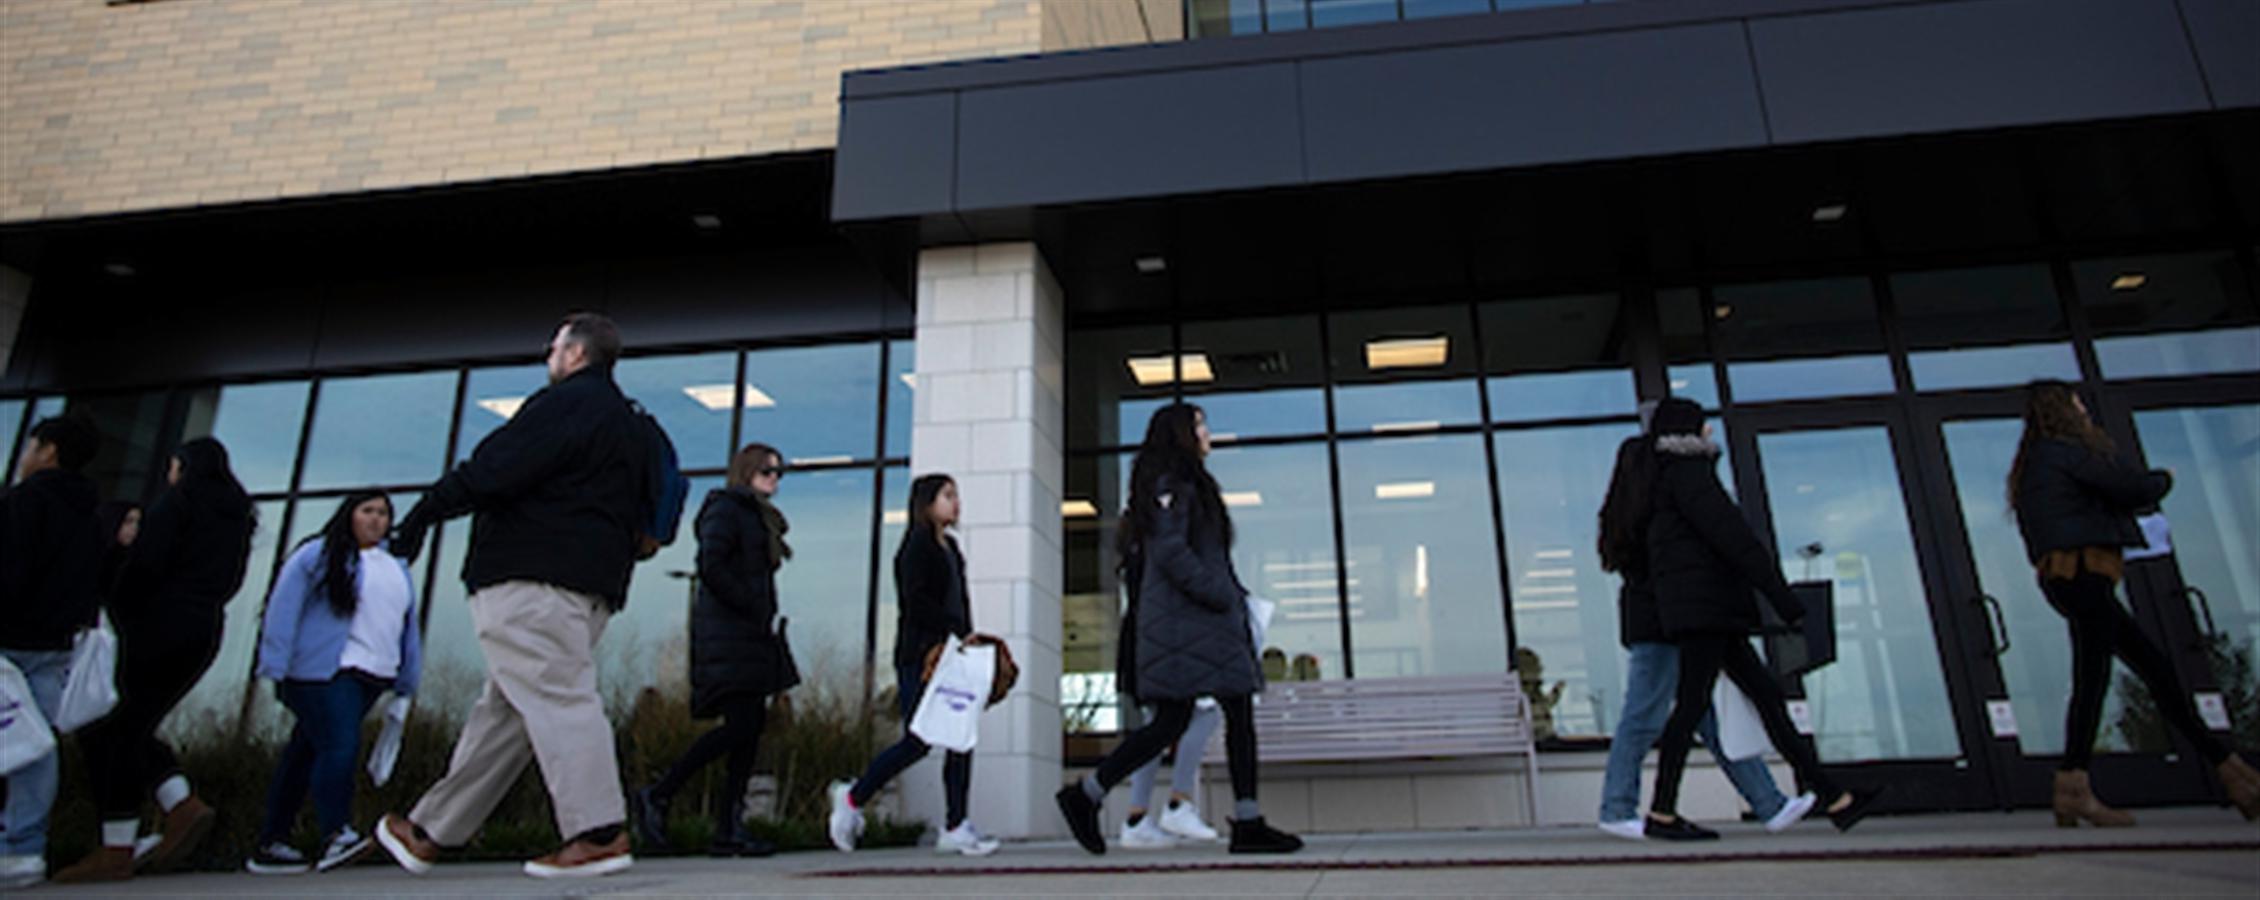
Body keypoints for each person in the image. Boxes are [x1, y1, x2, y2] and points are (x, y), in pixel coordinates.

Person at [375, 312, 652, 879]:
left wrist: (426, 512)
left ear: (575, 355)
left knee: (560, 698)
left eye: (552, 349)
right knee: (506, 712)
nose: (547, 359)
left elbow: (495, 469)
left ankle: (597, 832)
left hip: (530, 578)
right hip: (590, 589)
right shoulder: (635, 425)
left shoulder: (562, 405)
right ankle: (433, 830)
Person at [2007, 380, 2260, 825]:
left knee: (2148, 671)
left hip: (2070, 576)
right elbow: (2130, 487)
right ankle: (2076, 784)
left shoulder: (2038, 461)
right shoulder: (2067, 452)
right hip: (2083, 573)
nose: (2084, 409)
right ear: (2063, 409)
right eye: (2077, 402)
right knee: (2102, 677)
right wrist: (2165, 478)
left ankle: (2232, 772)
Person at [1053, 403, 1302, 856]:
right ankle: (1244, 822)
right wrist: (1219, 594)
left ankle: (1088, 793)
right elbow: (1170, 550)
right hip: (1191, 623)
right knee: (1210, 715)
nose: (1208, 432)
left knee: (1189, 716)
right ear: (1181, 434)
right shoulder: (1172, 484)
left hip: (1196, 624)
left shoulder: (1182, 484)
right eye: (1201, 424)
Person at [1637, 397, 1881, 841]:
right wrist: (1783, 599)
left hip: (1706, 611)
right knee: (1693, 708)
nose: (1711, 431)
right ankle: (1661, 811)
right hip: (1707, 611)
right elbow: (1736, 540)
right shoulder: (1691, 477)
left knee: (1764, 697)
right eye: (1703, 425)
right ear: (1688, 432)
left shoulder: (1669, 481)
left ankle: (1833, 796)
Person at [1595, 411, 1816, 842]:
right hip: (1663, 624)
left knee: (1705, 716)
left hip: (1668, 620)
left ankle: (1769, 803)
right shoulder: (1651, 509)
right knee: (1645, 713)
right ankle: (1617, 807)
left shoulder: (1626, 512)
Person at [57, 436, 257, 882]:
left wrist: (117, 612)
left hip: (157, 624)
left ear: (183, 466)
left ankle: (120, 843)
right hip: (205, 630)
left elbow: (145, 565)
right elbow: (234, 580)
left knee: (112, 725)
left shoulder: (177, 504)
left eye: (172, 465)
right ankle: (176, 802)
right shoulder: (237, 519)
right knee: (133, 723)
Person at [633, 444, 798, 858]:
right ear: (747, 472)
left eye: (779, 472)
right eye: (767, 471)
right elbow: (712, 564)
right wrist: (749, 603)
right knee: (741, 726)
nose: (774, 479)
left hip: (750, 635)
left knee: (749, 730)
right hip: (730, 635)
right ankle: (660, 792)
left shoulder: (758, 516)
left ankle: (728, 828)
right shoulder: (727, 509)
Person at [246, 491, 423, 874]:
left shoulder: (396, 565)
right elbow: (283, 605)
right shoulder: (318, 555)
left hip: (372, 674)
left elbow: (407, 626)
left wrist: (408, 678)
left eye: (384, 513)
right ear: (349, 515)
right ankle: (335, 834)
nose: (377, 519)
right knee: (340, 745)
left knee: (305, 753)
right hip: (323, 671)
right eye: (368, 511)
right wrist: (274, 664)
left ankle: (271, 842)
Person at [828, 473, 1001, 857]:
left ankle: (956, 825)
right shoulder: (915, 548)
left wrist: (969, 639)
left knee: (961, 738)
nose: (955, 503)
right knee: (919, 741)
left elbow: (961, 601)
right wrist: (955, 630)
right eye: (947, 496)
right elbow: (916, 602)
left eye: (956, 495)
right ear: (926, 504)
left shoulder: (952, 549)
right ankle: (853, 797)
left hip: (953, 657)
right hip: (919, 657)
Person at [1, 416, 103, 889]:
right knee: (36, 745)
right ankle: (22, 849)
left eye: (31, 446)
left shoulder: (26, 501)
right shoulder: (90, 510)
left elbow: (9, 569)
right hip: (56, 643)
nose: (24, 456)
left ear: (50, 451)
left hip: (12, 638)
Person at [95, 500, 142, 599]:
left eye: (138, 523)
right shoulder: (94, 555)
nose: (134, 528)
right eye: (128, 521)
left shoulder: (129, 560)